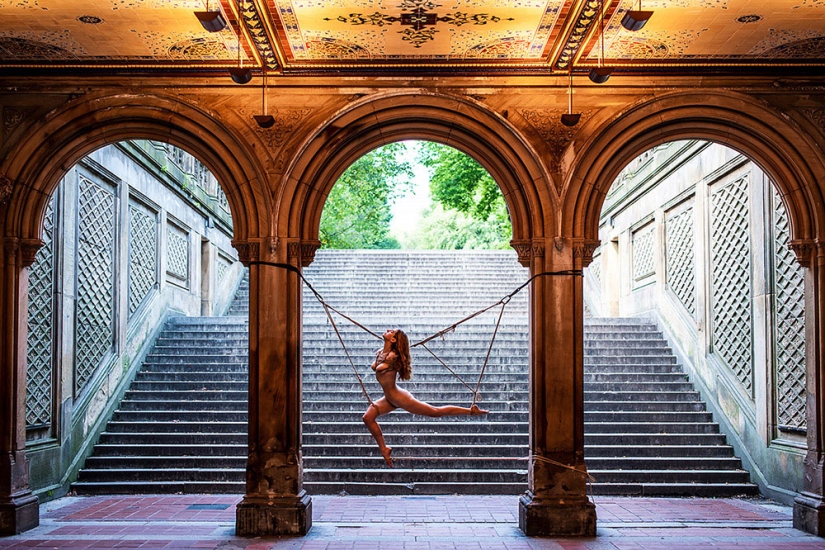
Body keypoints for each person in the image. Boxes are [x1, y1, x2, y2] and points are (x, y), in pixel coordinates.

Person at [362, 328, 488, 467]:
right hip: (389, 398)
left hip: (399, 398)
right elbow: (377, 366)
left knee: (435, 412)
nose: (388, 330)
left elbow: (378, 367)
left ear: (393, 340)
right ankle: (384, 449)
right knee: (367, 417)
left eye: (391, 331)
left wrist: (380, 361)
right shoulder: (382, 352)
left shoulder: (392, 355)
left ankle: (470, 411)